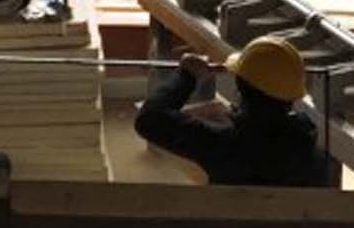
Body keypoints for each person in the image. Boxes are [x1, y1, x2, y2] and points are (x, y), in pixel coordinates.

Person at [132, 36, 330, 187]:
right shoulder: (312, 156)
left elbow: (149, 120)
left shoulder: (224, 146)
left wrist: (186, 76)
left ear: (240, 89)